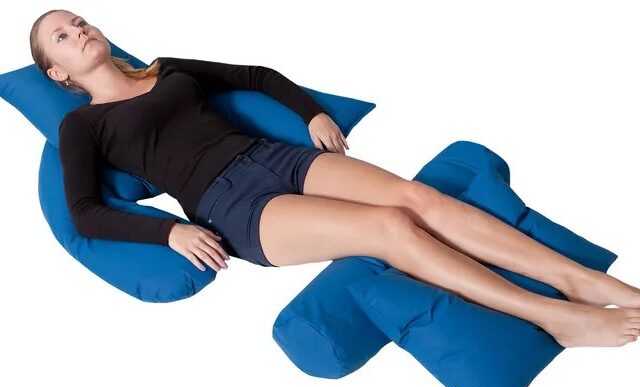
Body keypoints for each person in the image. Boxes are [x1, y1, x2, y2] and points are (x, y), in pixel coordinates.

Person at [31, 9, 640, 348]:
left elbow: (254, 75)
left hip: (275, 157)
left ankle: (582, 280)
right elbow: (84, 212)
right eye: (63, 36)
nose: (80, 31)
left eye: (80, 21)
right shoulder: (82, 127)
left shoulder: (166, 69)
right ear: (58, 74)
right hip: (231, 206)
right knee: (389, 227)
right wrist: (169, 232)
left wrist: (311, 113)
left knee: (417, 196)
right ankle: (552, 317)